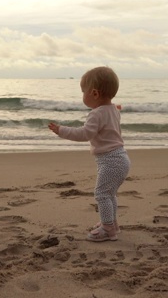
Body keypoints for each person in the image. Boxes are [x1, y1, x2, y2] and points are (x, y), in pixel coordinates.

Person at [48, 66, 131, 242]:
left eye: (83, 92)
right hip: (120, 158)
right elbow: (113, 112)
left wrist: (61, 130)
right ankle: (111, 223)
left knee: (102, 194)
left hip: (110, 161)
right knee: (109, 194)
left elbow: (84, 134)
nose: (82, 95)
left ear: (94, 93)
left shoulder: (96, 114)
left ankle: (108, 229)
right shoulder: (113, 110)